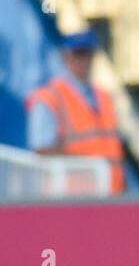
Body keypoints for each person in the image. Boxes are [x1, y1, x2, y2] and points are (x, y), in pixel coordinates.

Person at [25, 30, 126, 193]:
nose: (84, 61)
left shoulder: (105, 98)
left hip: (109, 196)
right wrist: (90, 167)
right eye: (78, 55)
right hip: (70, 200)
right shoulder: (50, 98)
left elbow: (115, 151)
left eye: (88, 54)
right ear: (66, 57)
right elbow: (42, 151)